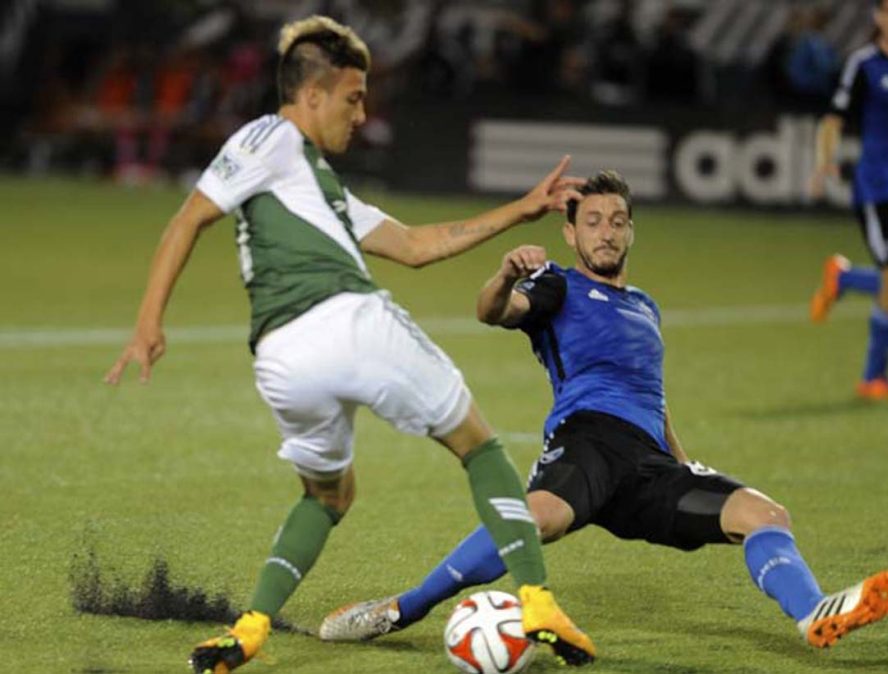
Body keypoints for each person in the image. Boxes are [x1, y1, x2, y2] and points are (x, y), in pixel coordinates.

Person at [104, 15, 595, 673]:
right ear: (310, 95)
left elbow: (418, 246)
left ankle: (248, 629)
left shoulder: (318, 189)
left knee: (328, 495)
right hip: (347, 322)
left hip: (282, 360)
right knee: (479, 447)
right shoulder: (270, 136)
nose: (362, 114)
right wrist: (146, 322)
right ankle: (535, 601)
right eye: (352, 97)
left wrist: (520, 208)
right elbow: (190, 215)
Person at [319, 170, 888, 655]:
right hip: (588, 444)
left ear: (631, 233)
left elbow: (653, 393)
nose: (606, 233)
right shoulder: (558, 286)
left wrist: (681, 461)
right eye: (593, 222)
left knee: (765, 515)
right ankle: (401, 609)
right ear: (571, 234)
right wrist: (504, 275)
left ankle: (812, 614)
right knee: (532, 521)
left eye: (618, 222)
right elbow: (493, 312)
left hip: (650, 465)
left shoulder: (645, 306)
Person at [808, 0, 888, 403]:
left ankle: (844, 278)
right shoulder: (865, 64)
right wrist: (825, 162)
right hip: (880, 189)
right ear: (878, 19)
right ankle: (874, 378)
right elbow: (833, 119)